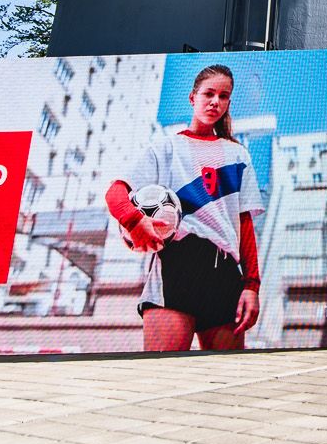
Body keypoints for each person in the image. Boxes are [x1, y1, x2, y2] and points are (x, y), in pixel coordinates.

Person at [105, 63, 263, 351]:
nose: (216, 102)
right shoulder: (165, 148)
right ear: (193, 98)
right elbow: (116, 193)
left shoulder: (238, 155)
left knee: (224, 386)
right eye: (209, 94)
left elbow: (245, 226)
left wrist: (251, 286)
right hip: (177, 265)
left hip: (225, 274)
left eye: (224, 96)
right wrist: (134, 221)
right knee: (161, 378)